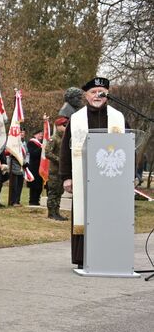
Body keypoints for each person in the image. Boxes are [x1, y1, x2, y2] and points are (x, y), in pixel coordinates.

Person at [60, 77, 125, 268]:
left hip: (110, 178)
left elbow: (129, 147)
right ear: (86, 96)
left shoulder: (118, 118)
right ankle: (83, 258)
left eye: (101, 92)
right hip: (83, 177)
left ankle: (108, 254)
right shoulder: (76, 119)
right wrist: (67, 176)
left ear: (107, 95)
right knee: (84, 213)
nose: (97, 95)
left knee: (108, 213)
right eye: (93, 92)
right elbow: (66, 149)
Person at [45, 116, 68, 221]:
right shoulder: (53, 138)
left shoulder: (65, 138)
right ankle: (51, 212)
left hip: (61, 171)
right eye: (64, 125)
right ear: (58, 126)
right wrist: (59, 160)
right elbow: (47, 153)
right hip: (54, 170)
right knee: (53, 192)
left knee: (59, 191)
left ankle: (57, 212)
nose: (65, 127)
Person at [26, 130, 44, 205]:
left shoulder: (41, 143)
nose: (41, 135)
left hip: (40, 166)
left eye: (42, 134)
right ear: (35, 135)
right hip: (34, 166)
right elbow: (33, 154)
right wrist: (41, 148)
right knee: (34, 185)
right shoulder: (31, 142)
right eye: (39, 133)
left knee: (39, 184)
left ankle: (37, 199)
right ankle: (32, 200)